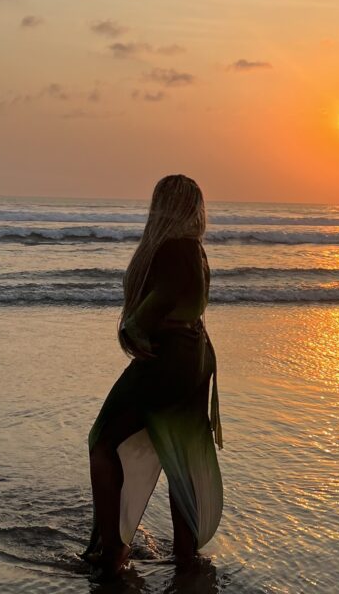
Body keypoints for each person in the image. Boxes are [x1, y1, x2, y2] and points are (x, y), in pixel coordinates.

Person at [83, 174, 223, 579]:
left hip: (166, 362)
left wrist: (130, 331)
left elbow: (148, 314)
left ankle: (112, 554)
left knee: (102, 441)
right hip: (195, 359)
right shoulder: (195, 250)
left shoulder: (173, 250)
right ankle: (184, 557)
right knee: (180, 456)